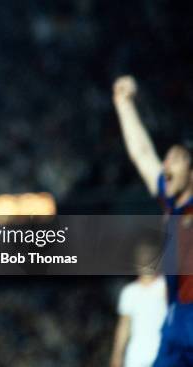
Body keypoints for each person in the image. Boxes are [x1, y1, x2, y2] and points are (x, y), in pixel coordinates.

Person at [113, 75, 193, 366]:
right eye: (167, 159)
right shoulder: (172, 205)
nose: (166, 164)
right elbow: (143, 154)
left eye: (176, 159)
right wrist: (123, 104)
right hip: (176, 323)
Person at [109, 242, 167, 367]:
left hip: (163, 356)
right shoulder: (129, 292)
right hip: (135, 357)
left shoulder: (165, 287)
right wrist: (117, 355)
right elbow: (124, 326)